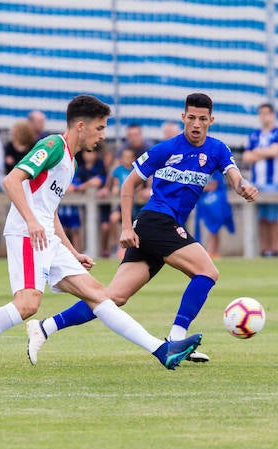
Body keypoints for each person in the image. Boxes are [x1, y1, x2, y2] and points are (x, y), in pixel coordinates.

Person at [0, 95, 204, 386]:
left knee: (98, 294)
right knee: (27, 305)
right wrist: (32, 221)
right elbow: (12, 180)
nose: (102, 135)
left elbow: (50, 209)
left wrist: (72, 251)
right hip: (26, 233)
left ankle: (162, 351)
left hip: (46, 236)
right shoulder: (52, 146)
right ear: (81, 126)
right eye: (99, 128)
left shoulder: (69, 161)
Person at [26, 92, 259, 365]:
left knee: (112, 298)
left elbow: (233, 174)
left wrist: (242, 185)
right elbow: (128, 185)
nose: (196, 124)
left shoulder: (217, 149)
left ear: (211, 121)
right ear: (183, 118)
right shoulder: (165, 149)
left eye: (202, 119)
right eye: (192, 118)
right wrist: (126, 227)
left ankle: (44, 328)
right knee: (207, 272)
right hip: (155, 222)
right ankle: (175, 338)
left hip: (160, 228)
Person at [242, 103, 278, 257]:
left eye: (266, 113)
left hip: (273, 182)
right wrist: (262, 153)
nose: (264, 116)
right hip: (257, 183)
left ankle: (274, 249)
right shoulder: (254, 135)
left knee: (273, 217)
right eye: (261, 113)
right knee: (262, 218)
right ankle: (264, 249)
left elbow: (275, 152)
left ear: (273, 114)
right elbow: (246, 157)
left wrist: (256, 152)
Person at [195, 168, 235, 258]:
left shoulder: (215, 169)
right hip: (206, 202)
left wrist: (195, 187)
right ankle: (213, 251)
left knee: (213, 227)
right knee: (212, 227)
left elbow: (213, 185)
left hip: (214, 202)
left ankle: (211, 251)